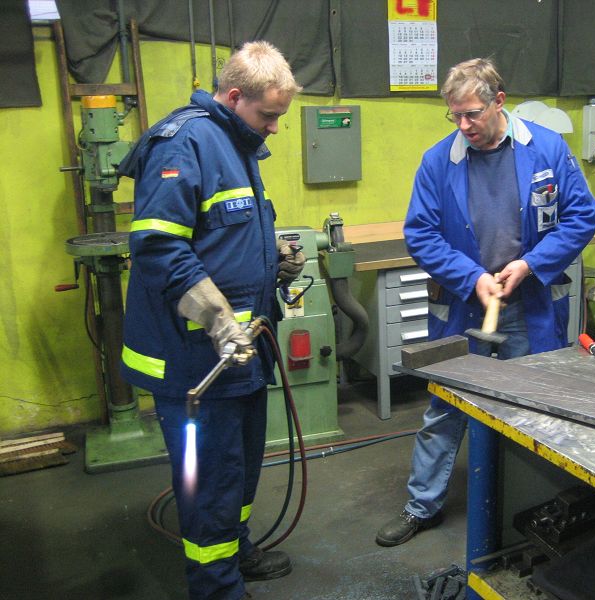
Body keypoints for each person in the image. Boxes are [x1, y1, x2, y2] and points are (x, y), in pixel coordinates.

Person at [375, 58, 595, 547]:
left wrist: (530, 265)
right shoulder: (438, 161)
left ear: (499, 102)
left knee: (531, 405)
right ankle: (421, 506)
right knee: (445, 408)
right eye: (454, 115)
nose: (463, 125)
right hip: (464, 306)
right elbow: (421, 233)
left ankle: (532, 506)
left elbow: (582, 217)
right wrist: (471, 277)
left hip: (528, 304)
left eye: (472, 113)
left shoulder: (547, 149)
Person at [119, 41, 305, 600]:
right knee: (209, 484)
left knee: (239, 471)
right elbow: (160, 248)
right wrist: (220, 320)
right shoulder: (184, 143)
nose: (275, 127)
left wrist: (274, 255)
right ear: (234, 96)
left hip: (242, 355)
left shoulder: (237, 141)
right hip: (197, 359)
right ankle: (216, 587)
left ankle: (236, 552)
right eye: (268, 114)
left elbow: (225, 232)